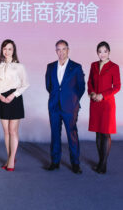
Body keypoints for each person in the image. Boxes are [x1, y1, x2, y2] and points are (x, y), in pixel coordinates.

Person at [45, 39, 85, 174]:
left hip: (70, 107)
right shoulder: (50, 67)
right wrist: (57, 98)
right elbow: (49, 86)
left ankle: (75, 163)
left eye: (63, 49)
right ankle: (55, 162)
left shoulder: (76, 67)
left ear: (68, 50)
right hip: (54, 106)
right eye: (58, 49)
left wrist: (72, 100)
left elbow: (81, 88)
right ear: (55, 51)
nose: (61, 52)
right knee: (55, 135)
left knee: (72, 134)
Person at [0, 39, 29, 171]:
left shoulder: (19, 67)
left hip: (15, 98)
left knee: (13, 131)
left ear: (14, 51)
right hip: (1, 99)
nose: (7, 51)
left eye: (10, 49)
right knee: (6, 131)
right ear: (2, 50)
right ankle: (9, 157)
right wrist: (0, 96)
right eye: (5, 49)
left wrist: (12, 96)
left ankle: (12, 160)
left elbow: (25, 84)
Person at [88, 41, 120, 174]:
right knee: (98, 133)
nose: (102, 54)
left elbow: (117, 86)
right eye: (99, 51)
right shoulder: (93, 65)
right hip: (95, 103)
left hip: (107, 104)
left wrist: (103, 95)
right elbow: (90, 82)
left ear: (109, 52)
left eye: (105, 51)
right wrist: (92, 93)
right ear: (97, 53)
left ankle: (103, 164)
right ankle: (101, 161)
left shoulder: (114, 67)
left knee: (105, 133)